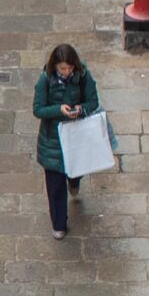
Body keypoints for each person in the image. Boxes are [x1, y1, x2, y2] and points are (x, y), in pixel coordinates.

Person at [33, 40, 100, 238]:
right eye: (62, 68)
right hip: (53, 140)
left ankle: (74, 180)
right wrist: (58, 110)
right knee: (55, 186)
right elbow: (38, 109)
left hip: (76, 134)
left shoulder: (83, 76)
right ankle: (59, 224)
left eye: (70, 68)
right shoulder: (45, 80)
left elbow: (93, 101)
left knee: (75, 168)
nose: (66, 72)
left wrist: (81, 109)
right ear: (55, 66)